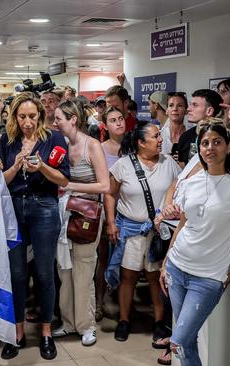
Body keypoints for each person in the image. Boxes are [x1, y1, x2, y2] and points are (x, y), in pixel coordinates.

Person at [158, 122, 230, 366]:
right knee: (187, 342)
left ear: (229, 147)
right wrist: (166, 262)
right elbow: (183, 223)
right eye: (205, 143)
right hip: (177, 267)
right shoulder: (190, 182)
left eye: (217, 142)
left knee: (178, 341)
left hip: (208, 278)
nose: (210, 148)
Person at [0, 92, 69, 360]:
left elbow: (63, 180)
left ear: (40, 115)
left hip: (44, 207)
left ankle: (46, 331)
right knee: (16, 275)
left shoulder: (53, 138)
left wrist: (43, 169)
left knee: (44, 274)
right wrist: (16, 167)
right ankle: (16, 332)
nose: (27, 122)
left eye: (32, 116)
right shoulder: (7, 140)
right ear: (15, 116)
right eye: (22, 116)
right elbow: (1, 180)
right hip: (14, 207)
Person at [104, 120, 181, 342]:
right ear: (140, 142)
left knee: (155, 277)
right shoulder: (123, 165)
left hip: (157, 231)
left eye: (159, 136)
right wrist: (111, 222)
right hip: (130, 229)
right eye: (155, 136)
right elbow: (110, 194)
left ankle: (159, 322)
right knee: (128, 276)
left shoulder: (169, 164)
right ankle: (124, 320)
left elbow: (180, 185)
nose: (160, 140)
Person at [52, 100, 110, 346]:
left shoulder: (92, 145)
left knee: (84, 269)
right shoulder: (63, 146)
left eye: (59, 119)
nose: (55, 123)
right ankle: (68, 322)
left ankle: (87, 325)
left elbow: (105, 186)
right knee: (65, 271)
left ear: (73, 119)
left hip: (86, 216)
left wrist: (69, 186)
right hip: (64, 215)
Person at [96, 107, 125, 320]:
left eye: (121, 118)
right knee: (102, 258)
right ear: (105, 125)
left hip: (128, 208)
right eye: (113, 120)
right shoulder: (100, 148)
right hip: (107, 207)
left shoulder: (133, 146)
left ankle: (119, 299)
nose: (119, 123)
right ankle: (98, 301)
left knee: (124, 259)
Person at [177, 89, 222, 166]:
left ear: (209, 111)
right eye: (190, 105)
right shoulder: (185, 136)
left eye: (195, 105)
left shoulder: (224, 136)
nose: (188, 109)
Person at [161, 92, 188, 156]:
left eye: (180, 105)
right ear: (166, 110)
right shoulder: (159, 135)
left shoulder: (193, 135)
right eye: (171, 105)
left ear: (186, 110)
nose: (175, 109)